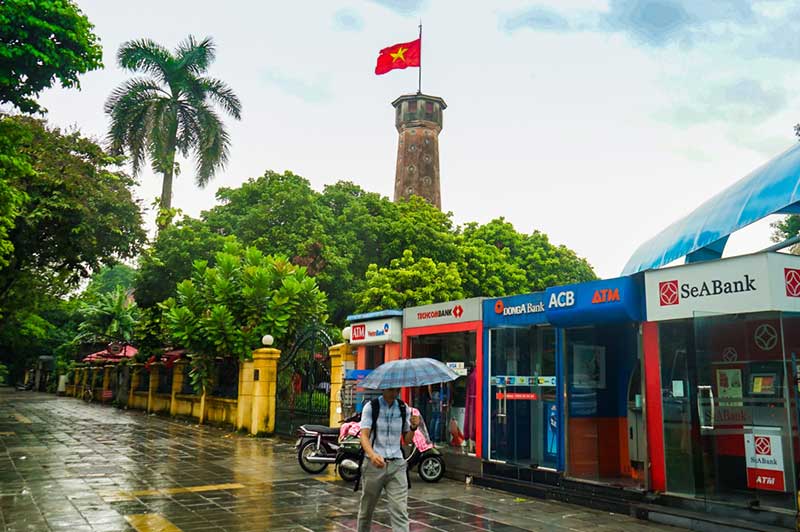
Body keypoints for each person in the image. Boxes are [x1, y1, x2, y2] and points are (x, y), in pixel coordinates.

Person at [357, 387, 420, 532]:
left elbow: (407, 440)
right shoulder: (371, 407)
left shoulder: (404, 408)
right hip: (374, 465)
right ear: (384, 389)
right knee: (367, 509)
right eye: (391, 389)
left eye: (397, 389)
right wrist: (372, 455)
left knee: (400, 510)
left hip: (397, 464)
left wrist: (413, 427)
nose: (394, 393)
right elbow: (364, 436)